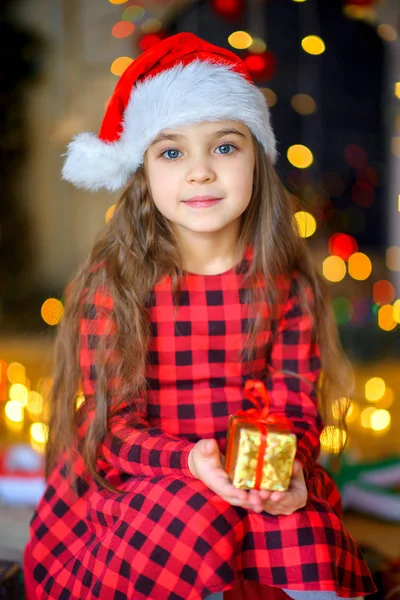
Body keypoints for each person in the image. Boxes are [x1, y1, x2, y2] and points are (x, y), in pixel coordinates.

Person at [24, 32, 376, 600]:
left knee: (300, 532)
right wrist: (189, 460)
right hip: (145, 474)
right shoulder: (114, 287)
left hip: (249, 469)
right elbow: (112, 428)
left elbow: (294, 407)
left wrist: (284, 470)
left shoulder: (286, 284)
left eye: (224, 147)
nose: (201, 172)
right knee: (192, 518)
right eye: (171, 151)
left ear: (256, 159)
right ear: (143, 173)